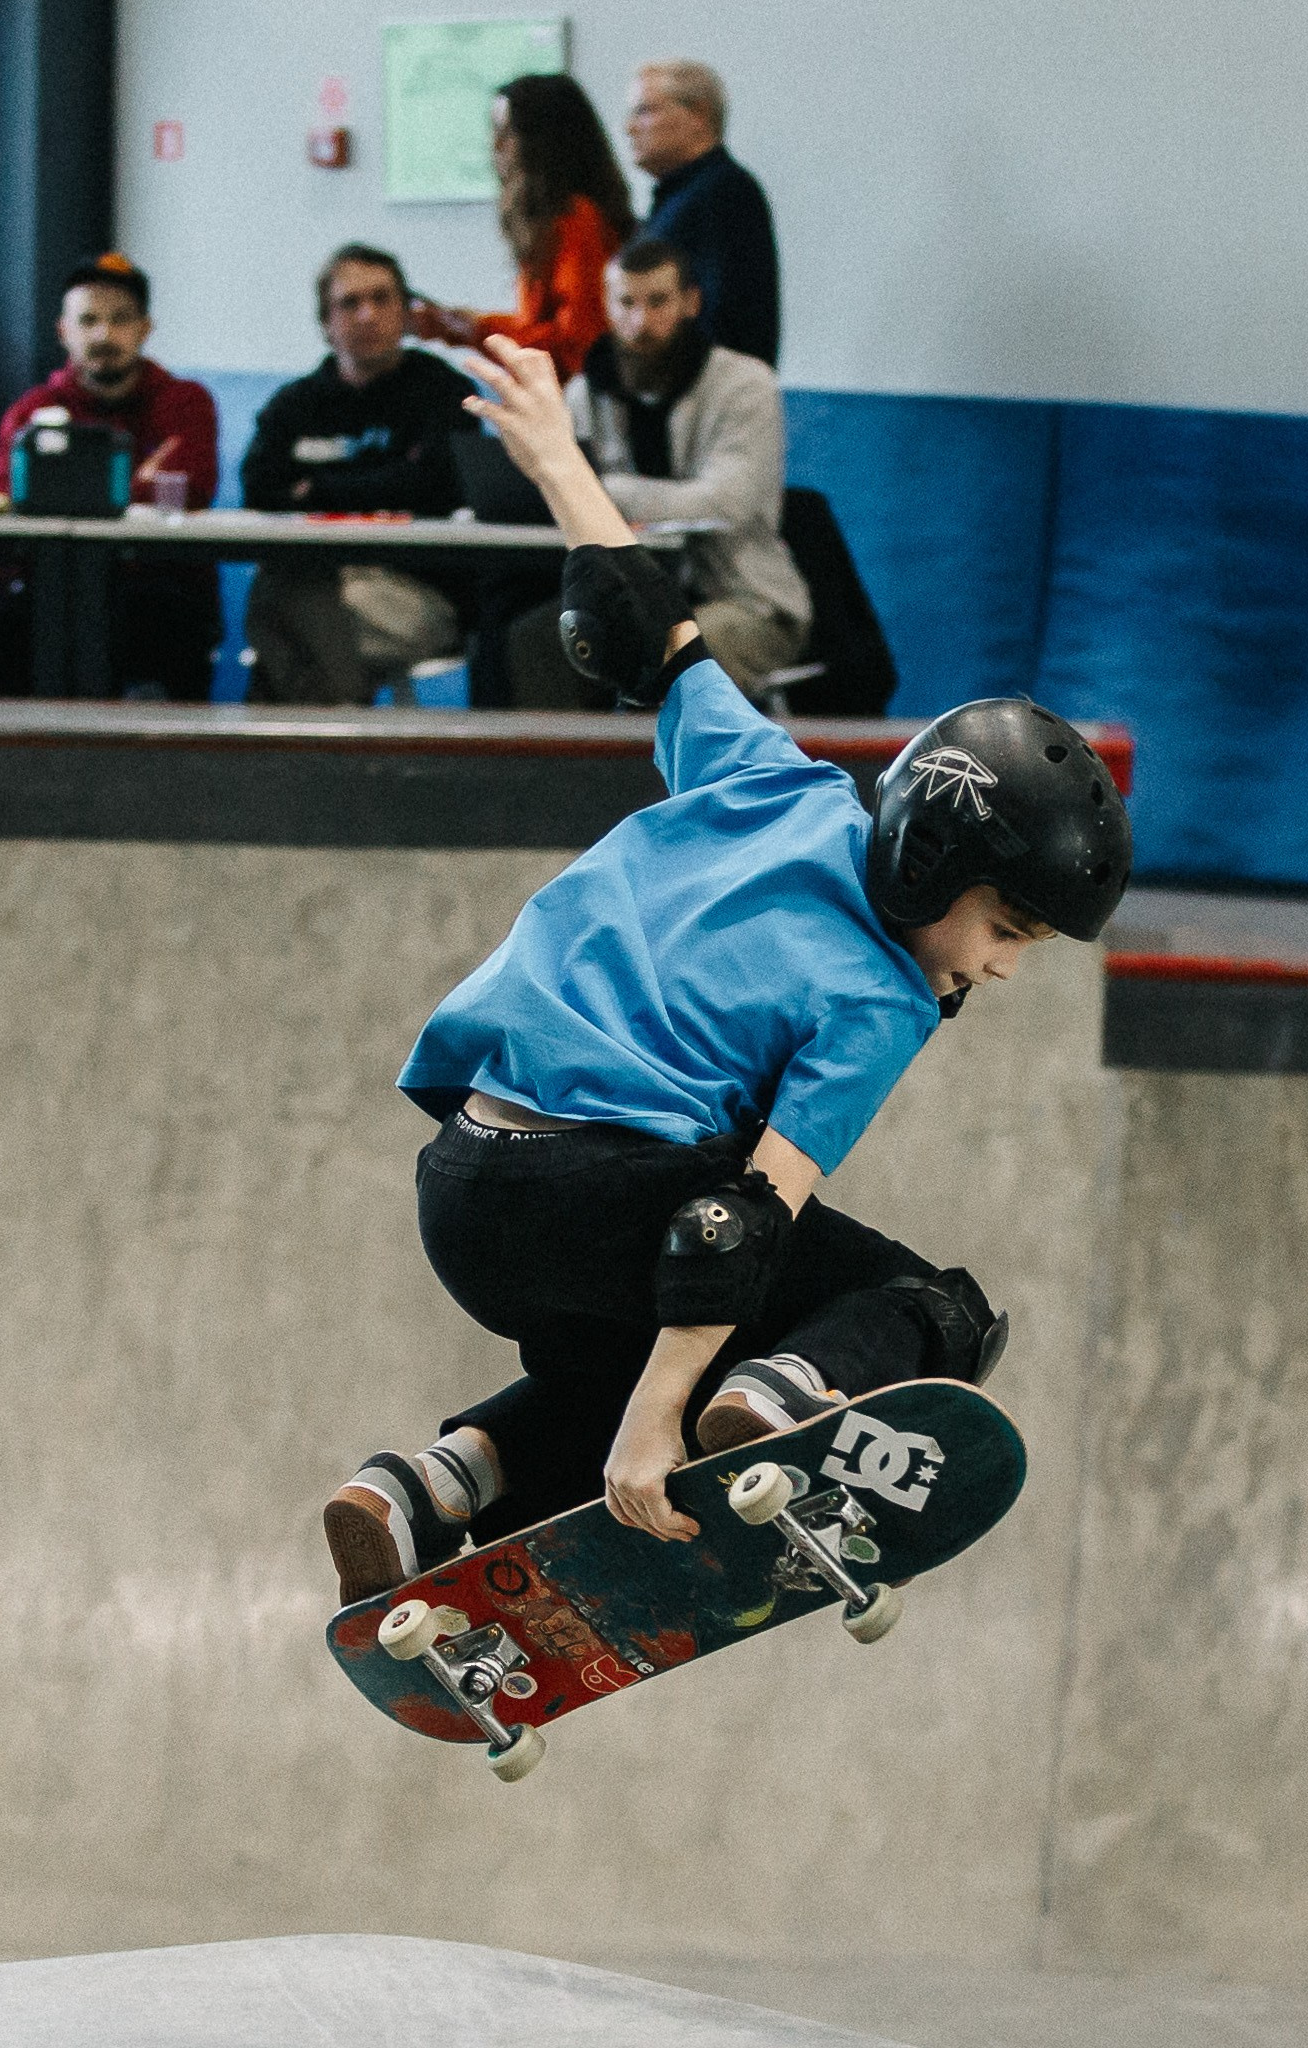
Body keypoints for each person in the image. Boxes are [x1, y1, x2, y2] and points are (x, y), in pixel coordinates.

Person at [321, 334, 1130, 1601]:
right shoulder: (879, 997)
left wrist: (551, 453)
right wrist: (667, 1421)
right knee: (937, 1314)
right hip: (614, 1193)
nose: (1005, 971)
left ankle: (428, 1489)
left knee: (604, 1359)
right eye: (1007, 932)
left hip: (467, 1192)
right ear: (933, 868)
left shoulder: (775, 780)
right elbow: (734, 1219)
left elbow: (639, 622)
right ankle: (777, 1398)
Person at [505, 236, 808, 705]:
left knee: (652, 651)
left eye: (658, 301)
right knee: (531, 641)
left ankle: (646, 780)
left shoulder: (746, 385)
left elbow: (726, 504)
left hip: (745, 602)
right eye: (625, 303)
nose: (640, 321)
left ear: (691, 302)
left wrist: (599, 490)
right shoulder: (586, 392)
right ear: (607, 307)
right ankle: (564, 778)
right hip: (626, 600)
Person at [0, 254, 219, 699]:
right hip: (45, 590)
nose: (103, 334)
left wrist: (67, 485)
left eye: (120, 319)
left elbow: (192, 489)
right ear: (64, 331)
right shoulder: (30, 411)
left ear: (145, 328)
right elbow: (4, 501)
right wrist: (130, 483)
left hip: (155, 586)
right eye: (88, 320)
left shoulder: (186, 402)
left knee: (170, 623)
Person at [240, 246, 479, 705]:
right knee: (300, 596)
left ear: (406, 312)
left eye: (382, 299)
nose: (367, 315)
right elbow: (259, 491)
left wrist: (318, 489)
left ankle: (300, 743)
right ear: (325, 323)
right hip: (322, 576)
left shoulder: (443, 392)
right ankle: (341, 710)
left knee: (280, 604)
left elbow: (437, 486)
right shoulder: (294, 405)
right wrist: (385, 483)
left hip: (418, 591)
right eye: (349, 303)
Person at [411, 74, 631, 382]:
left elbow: (575, 345)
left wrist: (481, 330)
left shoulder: (577, 220)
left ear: (542, 142)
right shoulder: (554, 219)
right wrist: (468, 327)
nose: (495, 146)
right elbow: (542, 327)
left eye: (507, 133)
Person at [628, 61, 780, 367]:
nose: (628, 128)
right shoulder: (682, 195)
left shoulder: (723, 192)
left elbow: (725, 317)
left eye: (645, 111)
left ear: (698, 114)